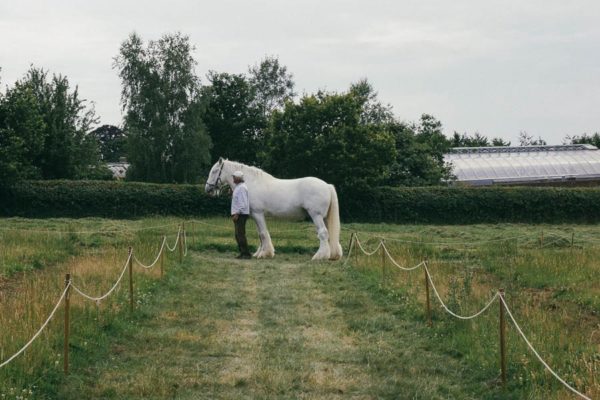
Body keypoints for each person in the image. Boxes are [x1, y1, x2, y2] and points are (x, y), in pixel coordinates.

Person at [231, 170, 251, 259]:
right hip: (239, 213)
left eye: (234, 177)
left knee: (240, 234)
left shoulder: (242, 188)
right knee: (238, 234)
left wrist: (237, 214)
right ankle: (243, 253)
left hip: (241, 214)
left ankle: (246, 254)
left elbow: (243, 203)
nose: (233, 178)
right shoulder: (239, 187)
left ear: (238, 178)